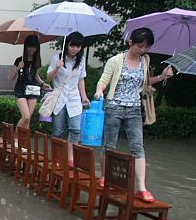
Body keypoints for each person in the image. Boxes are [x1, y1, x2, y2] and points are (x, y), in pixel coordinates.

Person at [94, 27, 174, 203]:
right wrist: (99, 91)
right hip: (114, 106)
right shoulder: (115, 60)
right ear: (130, 42)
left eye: (146, 47)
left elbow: (145, 83)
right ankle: (105, 177)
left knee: (138, 146)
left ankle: (142, 188)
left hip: (134, 109)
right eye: (140, 46)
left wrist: (162, 76)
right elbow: (104, 80)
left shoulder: (145, 60)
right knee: (109, 145)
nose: (142, 50)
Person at [46, 32, 90, 164]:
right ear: (67, 45)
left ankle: (71, 158)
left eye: (78, 46)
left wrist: (84, 97)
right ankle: (57, 158)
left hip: (74, 98)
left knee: (75, 130)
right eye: (72, 46)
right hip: (59, 98)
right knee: (58, 131)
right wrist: (56, 68)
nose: (75, 49)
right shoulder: (57, 58)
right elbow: (49, 78)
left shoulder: (81, 60)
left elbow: (81, 80)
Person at [10, 34, 50, 129]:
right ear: (25, 47)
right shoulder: (19, 60)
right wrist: (18, 68)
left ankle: (24, 138)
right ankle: (15, 136)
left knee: (28, 119)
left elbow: (35, 76)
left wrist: (43, 84)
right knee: (26, 116)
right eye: (29, 46)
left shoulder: (37, 60)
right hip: (20, 90)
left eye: (34, 47)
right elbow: (11, 77)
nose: (31, 49)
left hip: (32, 89)